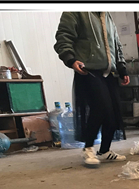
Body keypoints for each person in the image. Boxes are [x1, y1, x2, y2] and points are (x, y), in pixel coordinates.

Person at [54, 12, 129, 167]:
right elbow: (63, 37)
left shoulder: (106, 16)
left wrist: (122, 67)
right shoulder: (75, 12)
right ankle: (88, 148)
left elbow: (116, 43)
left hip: (109, 72)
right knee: (100, 108)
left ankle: (105, 150)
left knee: (113, 112)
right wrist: (70, 59)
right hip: (88, 70)